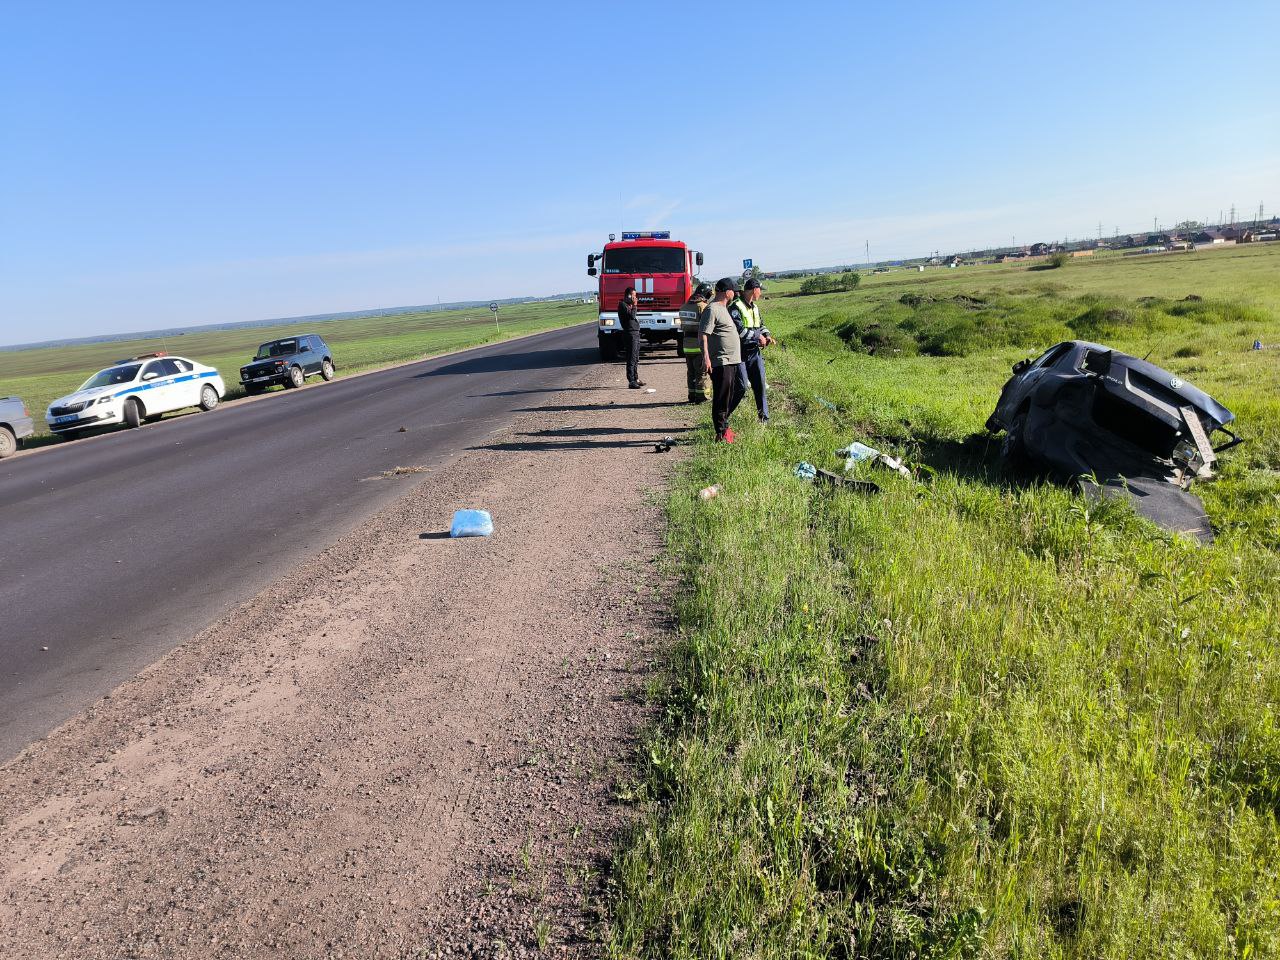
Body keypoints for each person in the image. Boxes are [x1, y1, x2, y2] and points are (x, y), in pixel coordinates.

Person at [699, 278, 746, 442]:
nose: (735, 293)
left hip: (733, 360)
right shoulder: (712, 309)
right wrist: (706, 357)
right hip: (721, 361)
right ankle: (720, 433)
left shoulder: (724, 308)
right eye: (734, 290)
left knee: (736, 391)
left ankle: (724, 425)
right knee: (721, 396)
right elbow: (703, 335)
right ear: (727, 292)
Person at [729, 278, 774, 422]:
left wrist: (766, 335)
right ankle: (723, 417)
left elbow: (761, 324)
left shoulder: (755, 307)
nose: (761, 293)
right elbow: (740, 331)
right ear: (754, 290)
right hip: (740, 353)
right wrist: (757, 336)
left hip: (755, 353)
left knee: (760, 385)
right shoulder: (735, 307)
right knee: (741, 387)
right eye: (760, 290)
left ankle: (764, 419)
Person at [678, 281, 714, 403]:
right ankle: (703, 397)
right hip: (699, 345)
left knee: (691, 372)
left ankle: (692, 396)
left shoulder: (684, 306)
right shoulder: (702, 307)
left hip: (686, 345)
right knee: (702, 373)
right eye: (709, 295)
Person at [617, 286, 643, 388]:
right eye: (634, 295)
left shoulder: (629, 305)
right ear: (628, 295)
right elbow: (632, 316)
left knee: (636, 358)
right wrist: (635, 305)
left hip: (635, 333)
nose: (635, 298)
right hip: (630, 334)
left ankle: (636, 378)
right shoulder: (623, 305)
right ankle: (631, 381)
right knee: (631, 358)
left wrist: (633, 305)